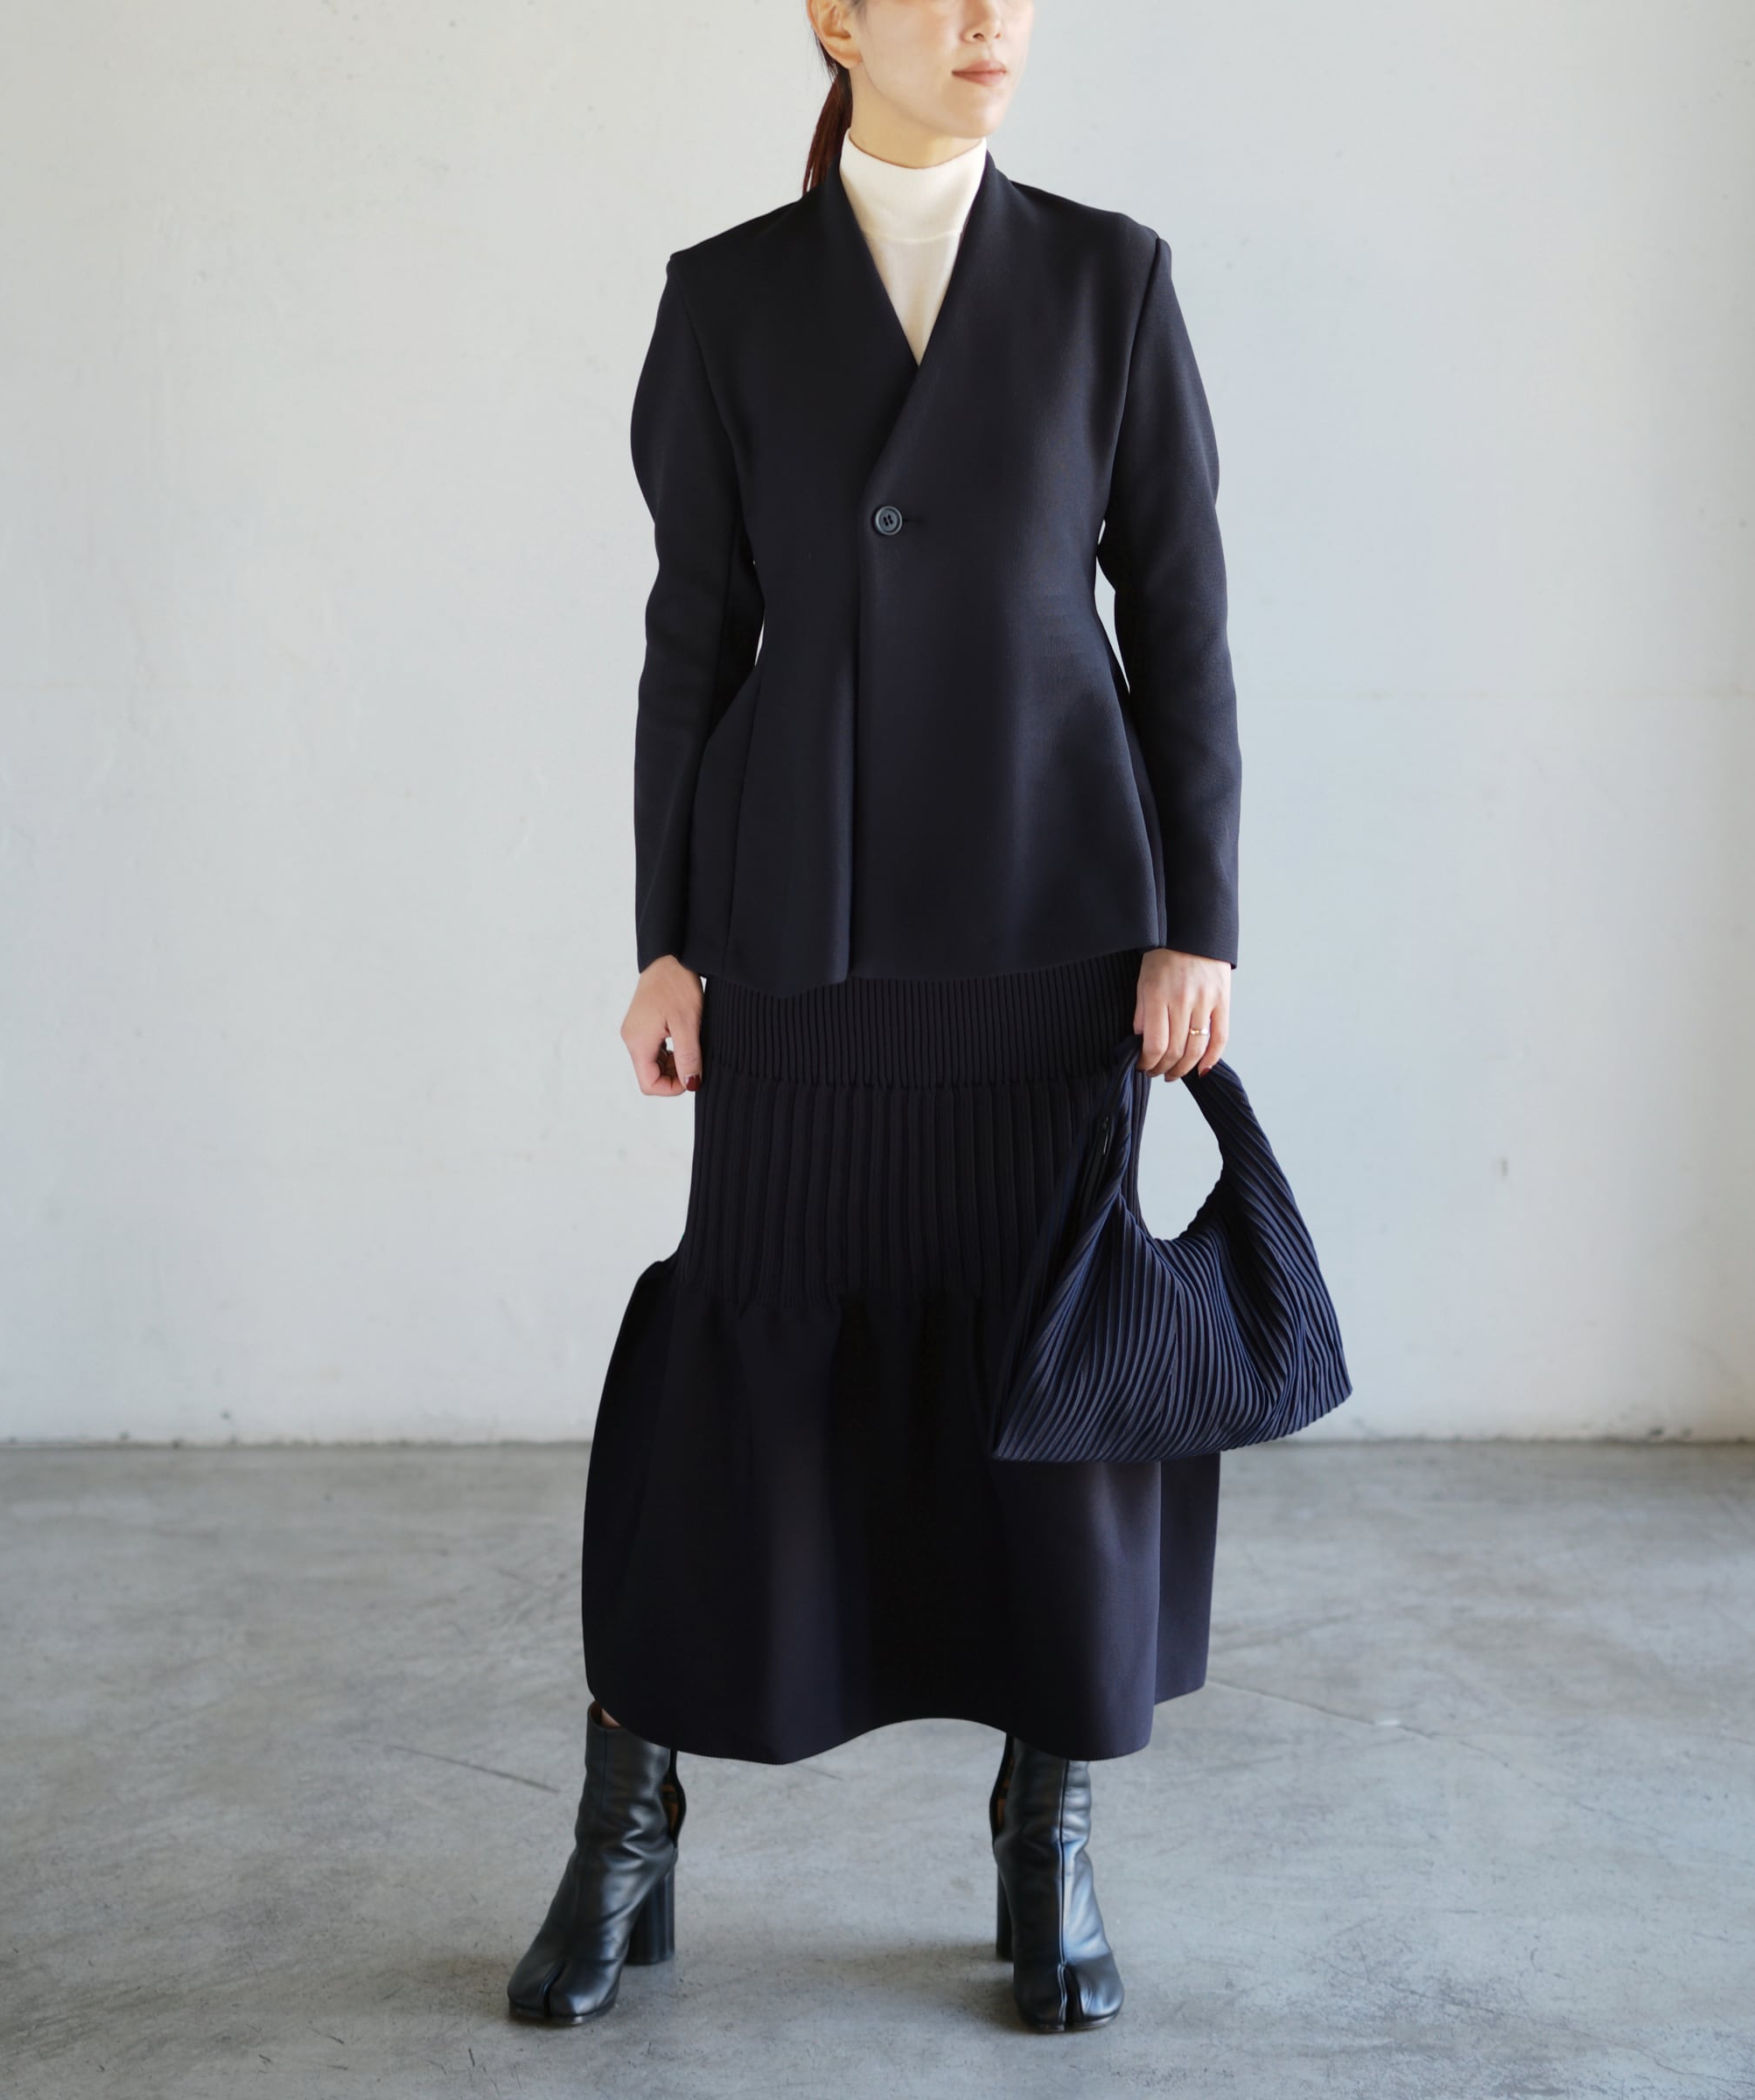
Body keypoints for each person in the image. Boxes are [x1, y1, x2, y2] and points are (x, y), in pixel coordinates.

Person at [507, 0, 1241, 2036]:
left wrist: (1199, 926)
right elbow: (691, 635)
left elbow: (1184, 621)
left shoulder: (1109, 282)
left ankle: (1047, 1826)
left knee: (1049, 1381)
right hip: (798, 928)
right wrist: (666, 940)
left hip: (1051, 925)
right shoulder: (727, 299)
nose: (991, 19)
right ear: (836, 17)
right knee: (738, 1367)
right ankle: (628, 1820)